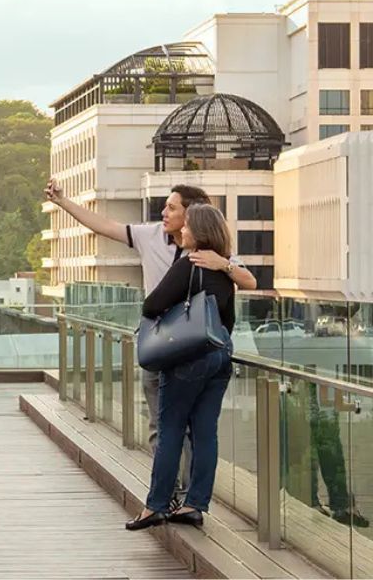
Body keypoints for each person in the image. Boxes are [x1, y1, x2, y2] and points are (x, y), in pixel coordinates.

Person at [46, 180, 256, 506]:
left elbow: (249, 280)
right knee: (168, 426)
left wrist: (223, 264)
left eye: (172, 207)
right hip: (163, 348)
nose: (164, 213)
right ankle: (177, 497)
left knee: (184, 429)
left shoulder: (209, 254)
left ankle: (177, 498)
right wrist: (63, 202)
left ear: (191, 215)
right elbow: (104, 226)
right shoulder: (151, 236)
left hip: (193, 349)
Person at [125, 203, 236, 530]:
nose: (181, 231)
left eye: (186, 225)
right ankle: (194, 505)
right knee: (205, 432)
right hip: (220, 355)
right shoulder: (224, 269)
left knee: (170, 429)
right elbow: (228, 320)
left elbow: (151, 306)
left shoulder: (189, 264)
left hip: (188, 359)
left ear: (198, 231)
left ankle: (156, 506)